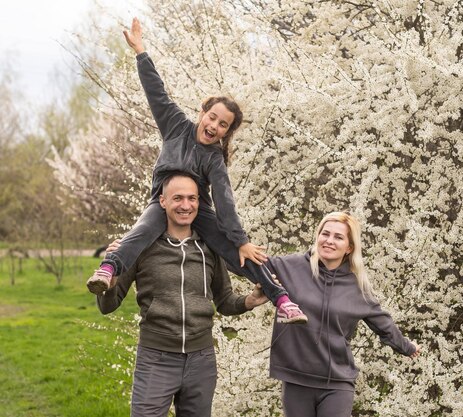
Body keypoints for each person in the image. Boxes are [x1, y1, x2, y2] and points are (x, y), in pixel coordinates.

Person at [87, 17, 306, 324]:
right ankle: (109, 268)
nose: (214, 126)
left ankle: (281, 298)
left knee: (239, 252)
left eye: (223, 125)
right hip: (161, 202)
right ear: (202, 113)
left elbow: (225, 200)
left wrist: (240, 240)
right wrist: (141, 51)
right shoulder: (176, 126)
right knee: (140, 233)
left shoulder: (214, 159)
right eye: (212, 117)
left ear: (227, 132)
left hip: (198, 207)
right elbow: (156, 92)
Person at [97, 173, 269, 417]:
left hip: (201, 361)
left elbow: (224, 300)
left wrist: (248, 301)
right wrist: (111, 280)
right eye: (177, 198)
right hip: (155, 358)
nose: (186, 205)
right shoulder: (139, 246)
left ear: (199, 202)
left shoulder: (210, 248)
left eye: (192, 198)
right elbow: (108, 306)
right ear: (162, 201)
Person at [265, 212, 420, 417]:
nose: (329, 241)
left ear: (349, 247)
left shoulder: (357, 287)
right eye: (325, 234)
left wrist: (408, 347)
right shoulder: (291, 267)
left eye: (338, 237)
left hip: (337, 383)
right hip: (297, 380)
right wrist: (237, 245)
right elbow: (249, 264)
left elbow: (384, 325)